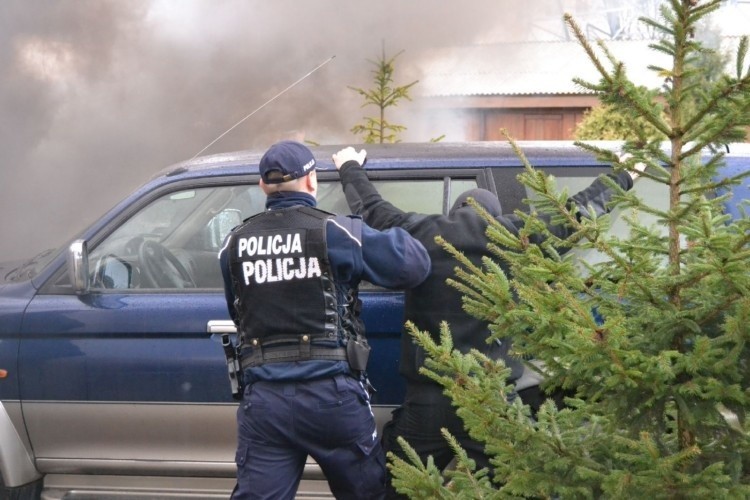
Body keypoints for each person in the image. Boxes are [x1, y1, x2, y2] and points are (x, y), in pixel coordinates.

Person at [332, 145, 643, 498]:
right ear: (494, 213)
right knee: (511, 488)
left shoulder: (420, 230)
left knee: (396, 485)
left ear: (455, 209)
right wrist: (625, 176)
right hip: (492, 402)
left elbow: (372, 209)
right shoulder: (514, 236)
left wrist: (350, 167)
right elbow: (573, 213)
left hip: (428, 400)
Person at [219, 140, 430, 500]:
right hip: (331, 396)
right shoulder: (337, 232)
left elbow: (238, 311)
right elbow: (415, 265)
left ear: (262, 187)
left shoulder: (233, 244)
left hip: (264, 402)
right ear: (312, 181)